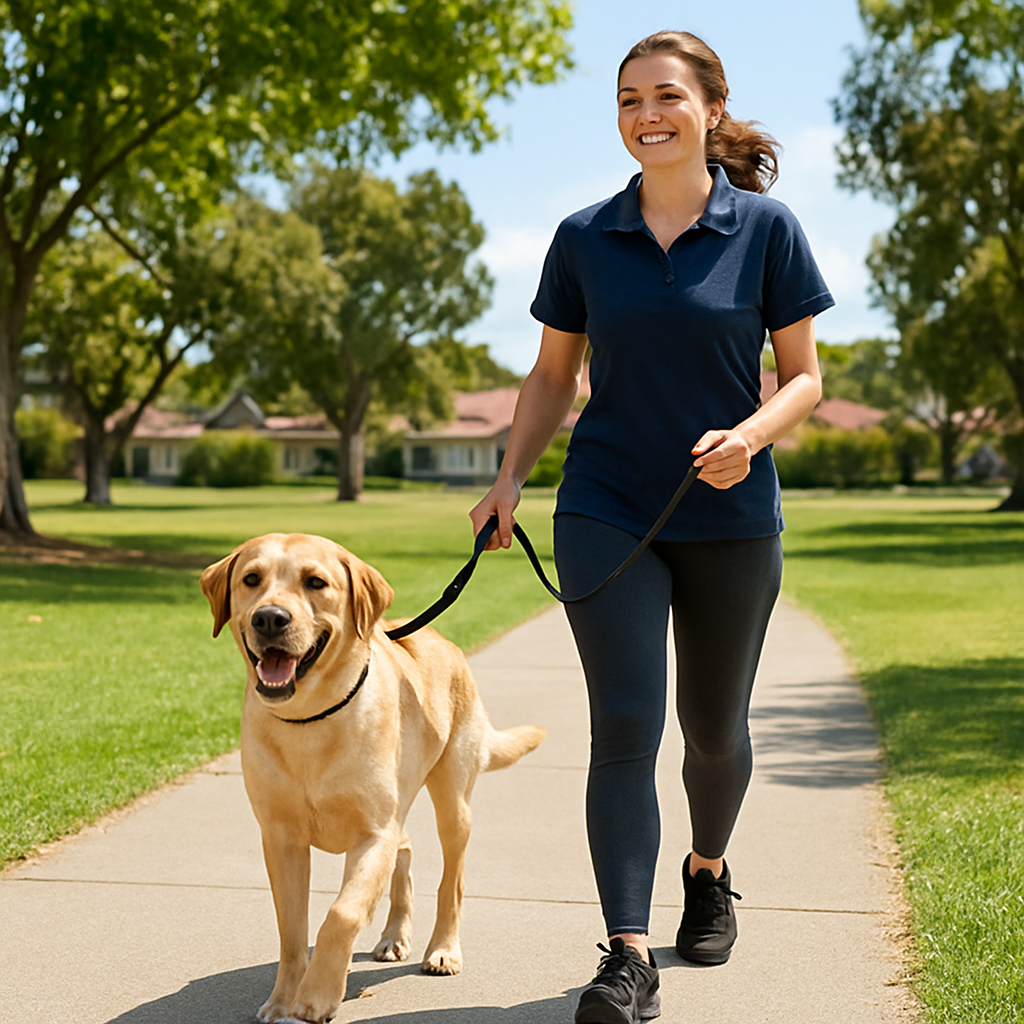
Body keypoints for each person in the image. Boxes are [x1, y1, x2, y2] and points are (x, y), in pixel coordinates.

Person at [470, 29, 834, 1024]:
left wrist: (749, 437)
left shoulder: (767, 230)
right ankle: (627, 955)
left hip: (731, 515)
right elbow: (552, 375)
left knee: (714, 733)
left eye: (666, 95)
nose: (646, 114)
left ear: (711, 109)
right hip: (604, 506)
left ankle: (707, 868)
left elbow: (805, 377)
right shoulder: (584, 237)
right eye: (628, 98)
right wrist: (508, 477)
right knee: (627, 724)